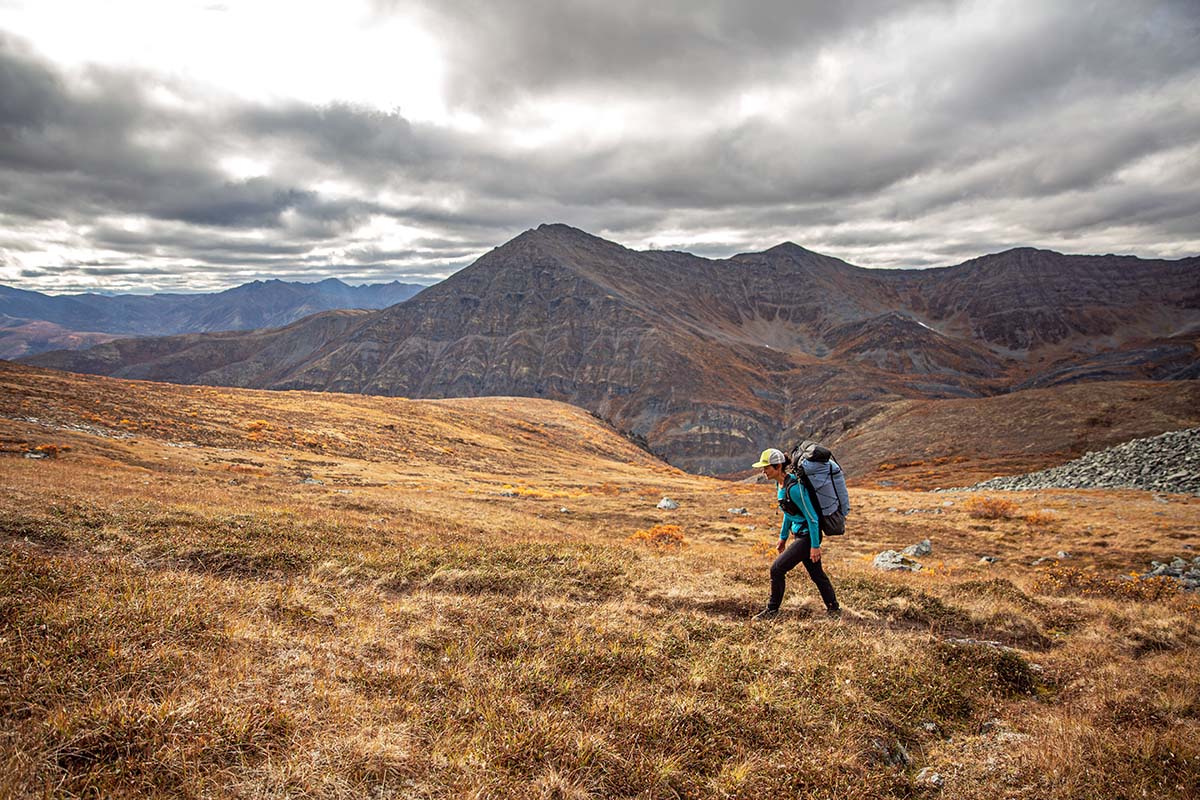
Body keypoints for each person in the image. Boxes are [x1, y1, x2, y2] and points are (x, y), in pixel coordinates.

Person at [750, 448, 840, 620]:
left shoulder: (795, 489)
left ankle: (772, 611)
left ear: (777, 467)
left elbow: (812, 518)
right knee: (817, 575)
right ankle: (834, 610)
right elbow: (788, 512)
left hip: (808, 537)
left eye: (766, 467)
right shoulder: (780, 484)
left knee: (777, 569)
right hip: (801, 536)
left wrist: (814, 546)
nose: (763, 471)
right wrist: (783, 538)